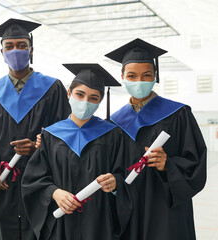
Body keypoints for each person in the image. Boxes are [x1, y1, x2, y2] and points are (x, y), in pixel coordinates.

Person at [0, 18, 71, 240]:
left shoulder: (53, 88)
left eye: (22, 45)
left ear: (31, 50)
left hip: (41, 180)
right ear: (2, 52)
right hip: (4, 181)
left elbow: (64, 134)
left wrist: (39, 147)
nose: (15, 50)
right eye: (9, 46)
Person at [105, 38, 207, 240]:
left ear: (155, 76)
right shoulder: (114, 122)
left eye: (146, 75)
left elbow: (196, 163)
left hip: (166, 210)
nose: (139, 81)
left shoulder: (179, 114)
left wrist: (168, 165)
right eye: (132, 76)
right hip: (130, 207)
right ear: (123, 76)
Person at [21, 63, 132, 240]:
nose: (85, 102)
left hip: (99, 225)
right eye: (80, 94)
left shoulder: (113, 135)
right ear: (69, 94)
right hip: (61, 224)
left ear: (100, 101)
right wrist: (54, 193)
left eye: (93, 98)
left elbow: (125, 176)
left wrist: (116, 183)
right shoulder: (50, 135)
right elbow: (33, 180)